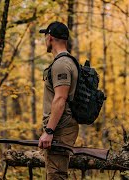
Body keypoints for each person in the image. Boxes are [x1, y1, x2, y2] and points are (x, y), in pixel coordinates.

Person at [38, 21, 79, 180]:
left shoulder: (61, 64)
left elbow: (61, 98)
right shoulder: (68, 61)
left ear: (50, 38)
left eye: (45, 36)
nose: (45, 40)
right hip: (61, 126)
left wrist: (49, 131)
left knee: (56, 176)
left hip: (60, 128)